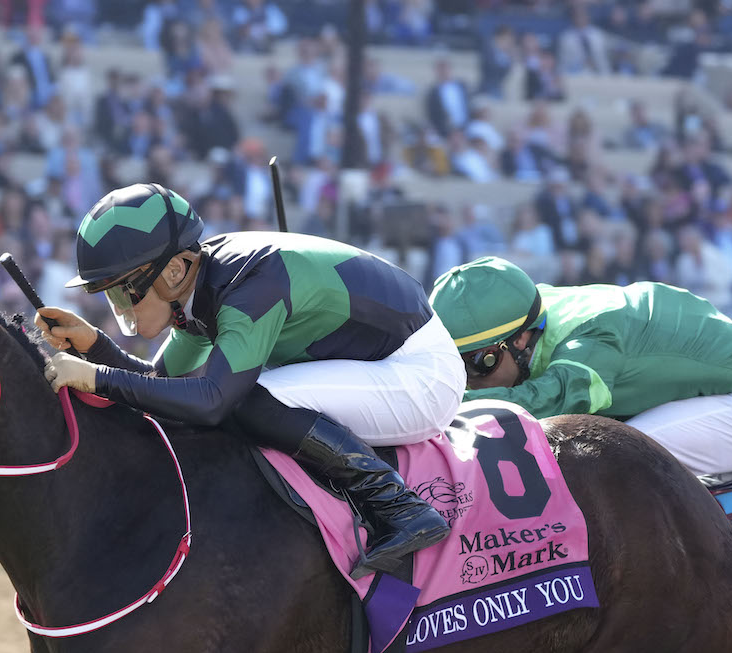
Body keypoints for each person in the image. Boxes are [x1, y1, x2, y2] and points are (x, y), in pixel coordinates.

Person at [34, 183, 464, 576]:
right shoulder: (195, 288)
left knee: (249, 401)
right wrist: (93, 346)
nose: (120, 307)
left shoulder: (249, 286)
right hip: (381, 362)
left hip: (420, 374)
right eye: (108, 295)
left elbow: (212, 400)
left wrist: (98, 377)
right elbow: (160, 383)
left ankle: (399, 506)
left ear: (174, 271)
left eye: (123, 290)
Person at [428, 256, 732, 478]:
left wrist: (442, 406)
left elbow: (552, 401)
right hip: (695, 390)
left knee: (602, 459)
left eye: (478, 364)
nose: (470, 383)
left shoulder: (589, 336)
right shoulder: (523, 310)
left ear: (521, 339)